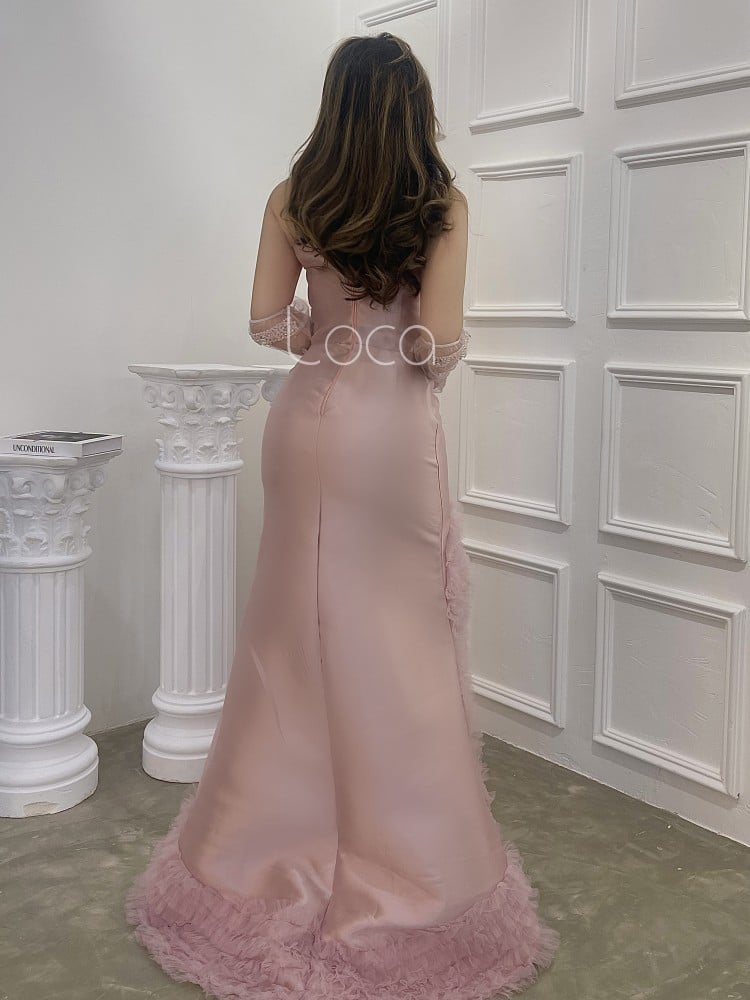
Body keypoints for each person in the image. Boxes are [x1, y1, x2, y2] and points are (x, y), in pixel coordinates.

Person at [125, 31, 559, 1000]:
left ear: (336, 103)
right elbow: (438, 342)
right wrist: (398, 340)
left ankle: (256, 848)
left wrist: (325, 335)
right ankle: (410, 866)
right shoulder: (440, 202)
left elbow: (264, 322)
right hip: (391, 435)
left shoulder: (294, 197)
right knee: (398, 644)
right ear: (413, 108)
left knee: (290, 635)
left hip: (306, 426)